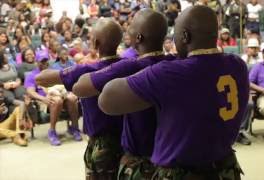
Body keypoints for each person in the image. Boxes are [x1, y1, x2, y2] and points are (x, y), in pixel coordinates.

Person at [98, 6, 249, 180]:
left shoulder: (171, 72)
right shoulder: (237, 65)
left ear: (185, 36)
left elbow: (107, 100)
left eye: (175, 33)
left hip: (182, 173)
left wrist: (134, 65)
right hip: (225, 168)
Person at [73, 9, 175, 180]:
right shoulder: (176, 64)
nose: (128, 29)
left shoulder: (128, 66)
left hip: (139, 162)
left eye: (132, 26)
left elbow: (80, 88)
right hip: (169, 159)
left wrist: (86, 71)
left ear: (139, 38)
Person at [36, 18, 124, 179]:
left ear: (95, 43)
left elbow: (40, 78)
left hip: (101, 144)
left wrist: (71, 71)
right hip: (127, 139)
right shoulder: (130, 65)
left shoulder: (86, 69)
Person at [24, 50, 81, 146]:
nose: (45, 63)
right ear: (37, 62)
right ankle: (52, 131)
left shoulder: (54, 72)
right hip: (43, 101)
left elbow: (64, 86)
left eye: (46, 60)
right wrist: (43, 99)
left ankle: (74, 127)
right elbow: (30, 92)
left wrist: (67, 93)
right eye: (42, 61)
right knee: (56, 100)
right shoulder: (32, 75)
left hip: (60, 95)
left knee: (72, 98)